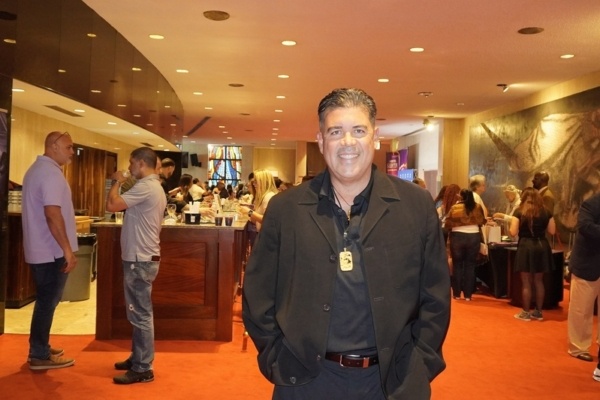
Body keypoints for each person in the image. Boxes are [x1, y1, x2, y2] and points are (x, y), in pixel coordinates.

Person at [242, 88, 450, 399]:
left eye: (359, 131)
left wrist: (420, 365)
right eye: (335, 131)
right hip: (305, 379)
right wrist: (276, 355)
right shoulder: (286, 209)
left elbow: (435, 296)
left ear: (375, 137)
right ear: (321, 140)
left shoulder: (415, 205)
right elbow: (258, 293)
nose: (347, 142)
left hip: (391, 381)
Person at [105, 147, 167, 384]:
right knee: (138, 311)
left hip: (140, 259)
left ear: (141, 163)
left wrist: (116, 182)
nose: (129, 167)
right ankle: (137, 357)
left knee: (140, 314)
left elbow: (112, 205)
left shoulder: (146, 186)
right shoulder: (152, 186)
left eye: (132, 163)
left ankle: (143, 367)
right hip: (141, 257)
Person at [21, 131, 78, 370]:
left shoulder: (37, 169)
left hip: (42, 249)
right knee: (47, 301)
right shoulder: (50, 174)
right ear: (53, 146)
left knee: (45, 300)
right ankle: (39, 354)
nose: (72, 152)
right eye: (69, 147)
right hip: (51, 251)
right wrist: (67, 250)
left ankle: (40, 345)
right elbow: (52, 214)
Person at [510, 187, 556, 321]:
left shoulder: (519, 212)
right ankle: (538, 312)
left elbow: (513, 232)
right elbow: (552, 231)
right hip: (542, 246)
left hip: (526, 246)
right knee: (539, 281)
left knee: (526, 282)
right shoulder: (546, 212)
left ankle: (525, 312)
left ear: (524, 198)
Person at [567, 192, 600, 364]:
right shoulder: (591, 203)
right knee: (581, 310)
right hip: (587, 264)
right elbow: (585, 227)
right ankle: (578, 347)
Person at [444, 189, 486, 301]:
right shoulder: (477, 207)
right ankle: (468, 295)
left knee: (457, 265)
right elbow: (482, 220)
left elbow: (447, 222)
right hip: (474, 236)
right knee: (470, 266)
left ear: (461, 197)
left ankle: (457, 294)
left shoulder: (455, 207)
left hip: (457, 237)